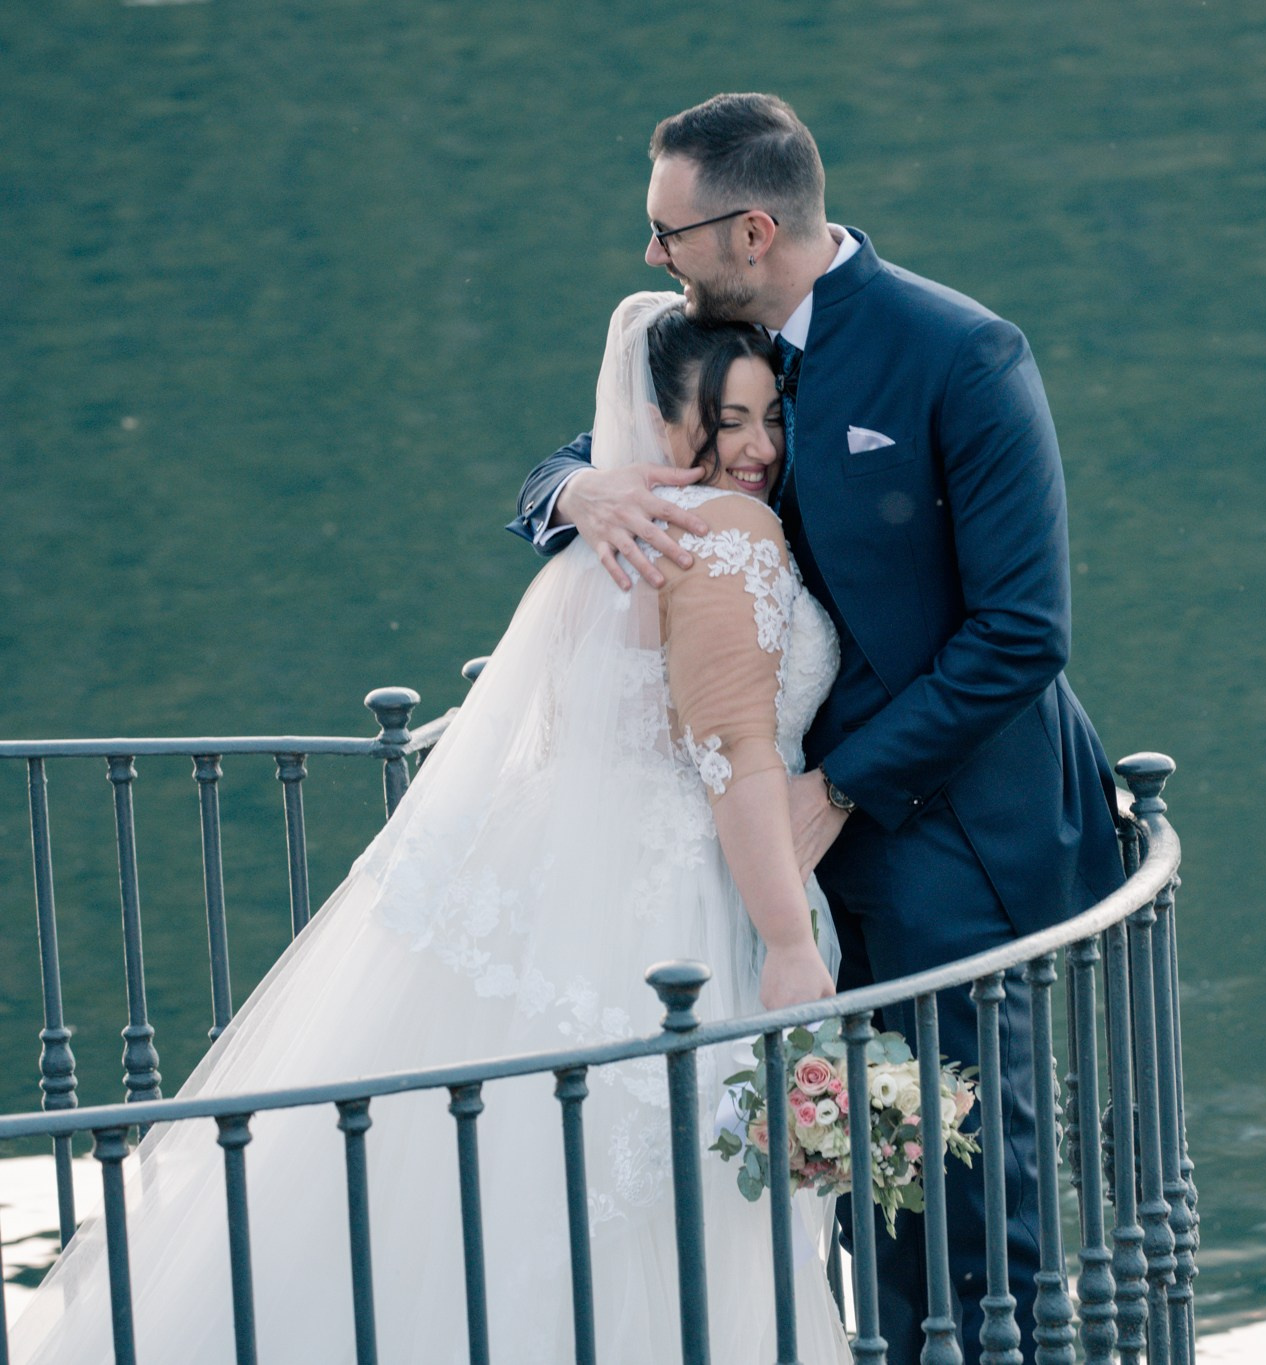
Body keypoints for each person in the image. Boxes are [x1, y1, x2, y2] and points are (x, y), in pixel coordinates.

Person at [12, 294, 851, 1365]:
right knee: (649, 1205)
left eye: (768, 418)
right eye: (726, 421)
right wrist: (786, 941)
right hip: (679, 902)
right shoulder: (724, 530)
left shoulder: (612, 535)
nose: (757, 448)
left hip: (587, 882)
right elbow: (729, 749)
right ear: (666, 418)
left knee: (496, 1180)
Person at [509, 93, 1127, 1365]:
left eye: (664, 231)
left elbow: (1022, 632)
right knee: (831, 1211)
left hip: (947, 838)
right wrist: (575, 490)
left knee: (971, 1223)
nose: (648, 257)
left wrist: (838, 785)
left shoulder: (961, 354)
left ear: (747, 229)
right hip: (771, 864)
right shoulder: (703, 342)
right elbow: (593, 452)